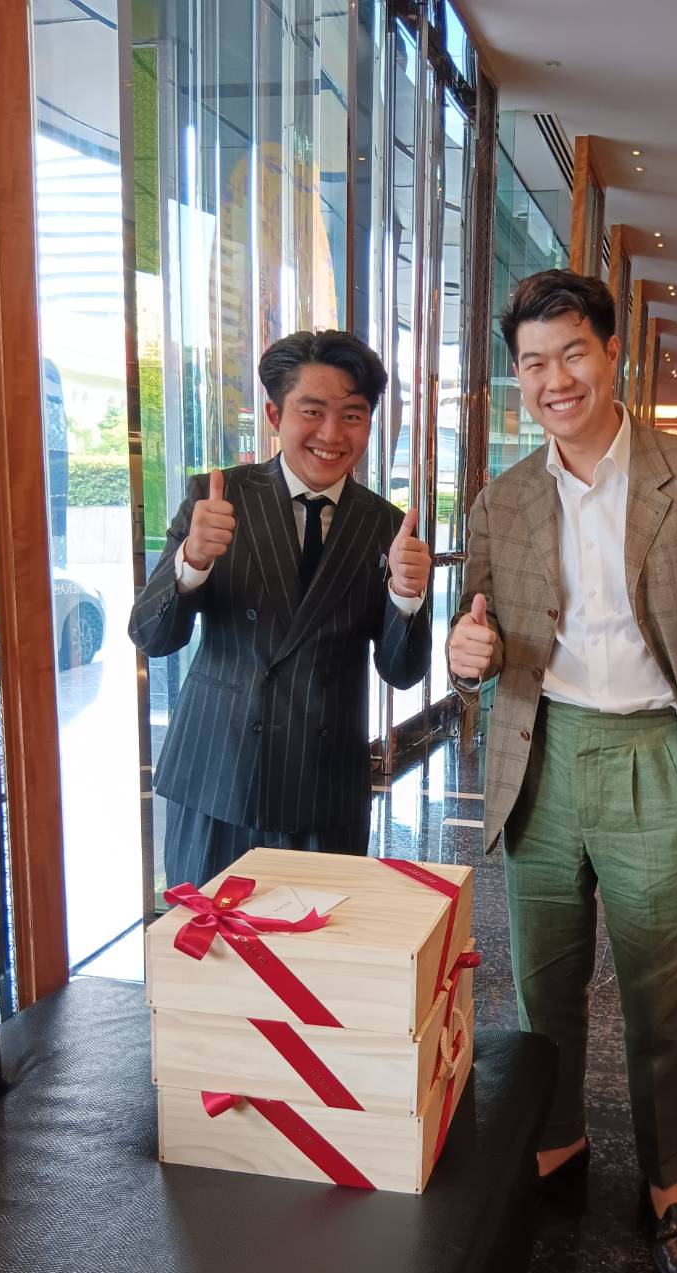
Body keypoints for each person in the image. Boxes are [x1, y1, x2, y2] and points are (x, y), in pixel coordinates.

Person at [448, 269, 677, 1273]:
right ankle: (557, 1140)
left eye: (572, 352)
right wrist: (462, 651)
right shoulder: (503, 498)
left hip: (658, 751)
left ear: (611, 353)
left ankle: (666, 1183)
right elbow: (472, 626)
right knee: (542, 987)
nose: (554, 378)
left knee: (659, 999)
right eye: (532, 363)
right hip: (544, 755)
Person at [129, 330, 432, 888]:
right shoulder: (217, 499)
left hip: (323, 789)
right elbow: (151, 635)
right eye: (311, 411)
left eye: (352, 416)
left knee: (311, 966)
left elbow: (403, 671)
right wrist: (192, 561)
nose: (331, 434)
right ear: (275, 413)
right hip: (216, 776)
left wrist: (406, 598)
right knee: (209, 956)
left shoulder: (388, 526)